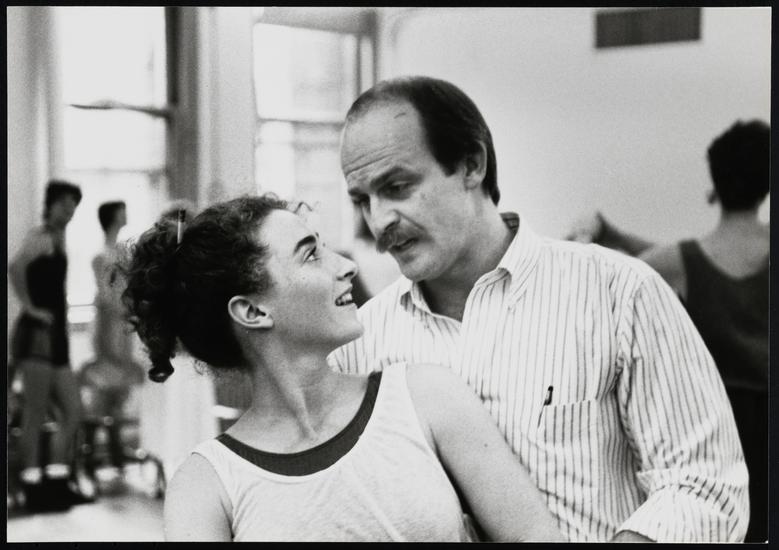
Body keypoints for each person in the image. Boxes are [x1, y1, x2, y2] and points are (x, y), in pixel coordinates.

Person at [329, 76, 749, 542]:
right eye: (362, 200)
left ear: (471, 165)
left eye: (397, 187)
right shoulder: (358, 344)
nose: (379, 220)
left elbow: (705, 485)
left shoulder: (618, 293)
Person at [121, 194, 564, 542]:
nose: (347, 266)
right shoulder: (206, 486)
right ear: (252, 311)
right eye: (311, 255)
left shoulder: (426, 397)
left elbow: (533, 535)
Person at [567, 120, 770, 542]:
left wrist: (599, 235)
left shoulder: (682, 261)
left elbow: (638, 266)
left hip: (717, 429)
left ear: (715, 183)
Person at [9, 179, 89, 511]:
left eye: (74, 206)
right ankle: (32, 487)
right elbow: (15, 268)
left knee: (72, 411)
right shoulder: (40, 236)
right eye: (64, 204)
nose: (69, 211)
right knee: (35, 412)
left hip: (56, 338)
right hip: (36, 336)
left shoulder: (59, 238)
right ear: (51, 204)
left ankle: (57, 480)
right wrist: (30, 308)